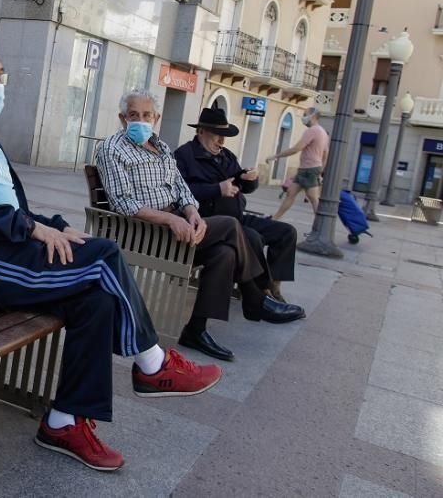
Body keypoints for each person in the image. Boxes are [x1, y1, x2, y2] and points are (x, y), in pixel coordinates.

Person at [0, 43, 222, 473]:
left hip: (5, 254)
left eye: (1, 75)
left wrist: (53, 222)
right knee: (102, 255)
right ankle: (153, 364)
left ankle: (64, 421)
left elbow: (11, 208)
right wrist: (33, 229)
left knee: (95, 301)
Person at [93, 90, 303, 363]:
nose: (140, 120)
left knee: (225, 253)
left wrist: (192, 213)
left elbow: (183, 191)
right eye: (134, 115)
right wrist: (172, 218)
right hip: (147, 233)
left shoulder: (162, 147)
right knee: (230, 226)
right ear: (123, 118)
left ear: (156, 118)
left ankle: (196, 330)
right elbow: (122, 203)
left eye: (146, 115)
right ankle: (255, 299)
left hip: (177, 227)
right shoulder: (112, 149)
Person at [175, 108, 306, 307]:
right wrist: (217, 189)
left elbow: (241, 183)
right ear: (201, 131)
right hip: (212, 222)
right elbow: (181, 191)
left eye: (224, 136)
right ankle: (263, 292)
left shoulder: (226, 155)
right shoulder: (184, 155)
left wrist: (249, 179)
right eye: (217, 135)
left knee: (286, 232)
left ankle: (275, 288)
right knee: (252, 238)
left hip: (238, 216)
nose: (221, 140)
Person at [266, 107, 329, 221]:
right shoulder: (323, 132)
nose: (303, 117)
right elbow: (325, 153)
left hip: (309, 169)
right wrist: (321, 169)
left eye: (305, 114)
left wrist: (276, 156)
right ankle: (274, 219)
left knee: (313, 198)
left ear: (313, 116)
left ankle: (320, 225)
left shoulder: (312, 131)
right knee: (291, 193)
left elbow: (296, 148)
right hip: (308, 168)